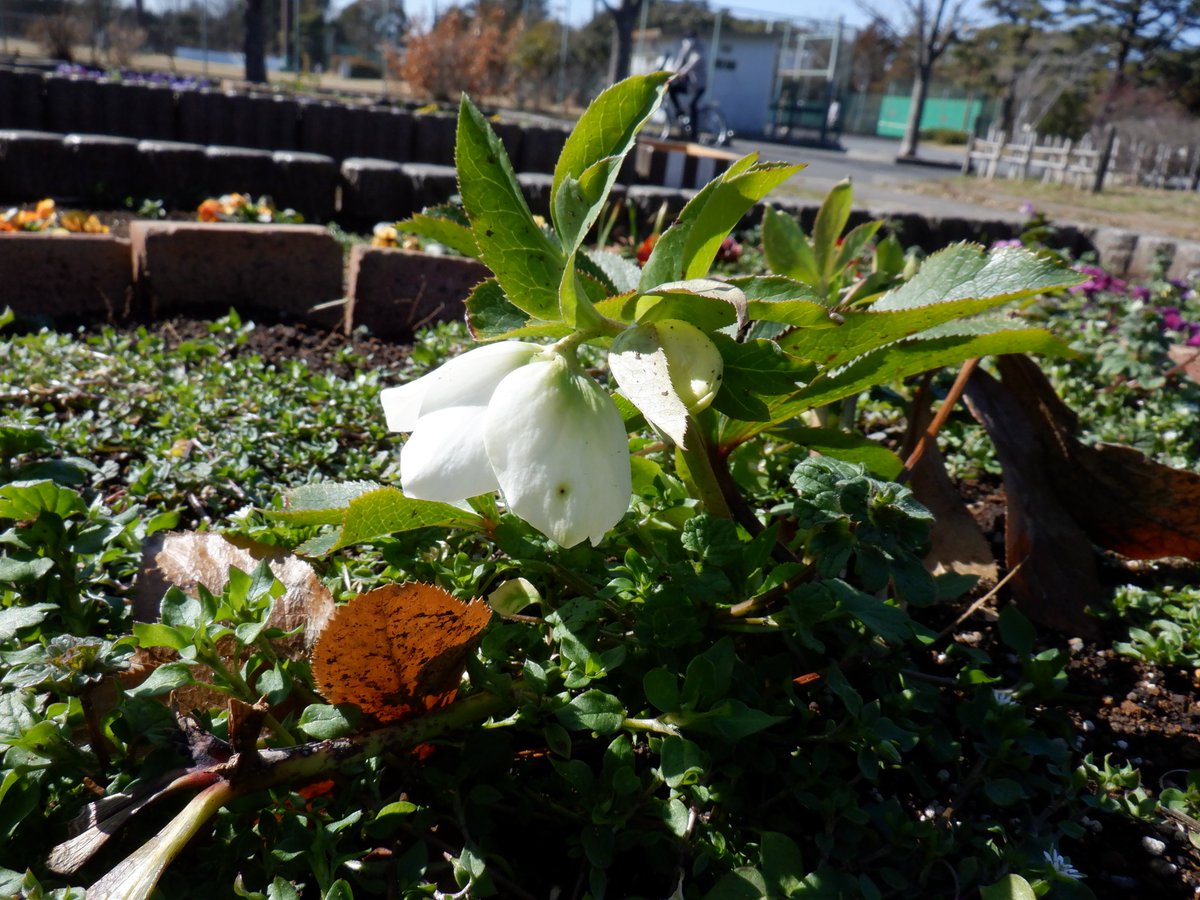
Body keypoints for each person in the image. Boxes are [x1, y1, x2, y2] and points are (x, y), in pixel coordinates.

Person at [667, 30, 707, 141]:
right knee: (672, 89)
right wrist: (670, 75)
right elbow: (678, 62)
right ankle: (679, 112)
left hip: (699, 85)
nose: (687, 42)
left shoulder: (699, 49)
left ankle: (694, 135)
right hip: (690, 85)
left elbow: (694, 62)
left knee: (692, 106)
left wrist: (683, 71)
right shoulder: (685, 49)